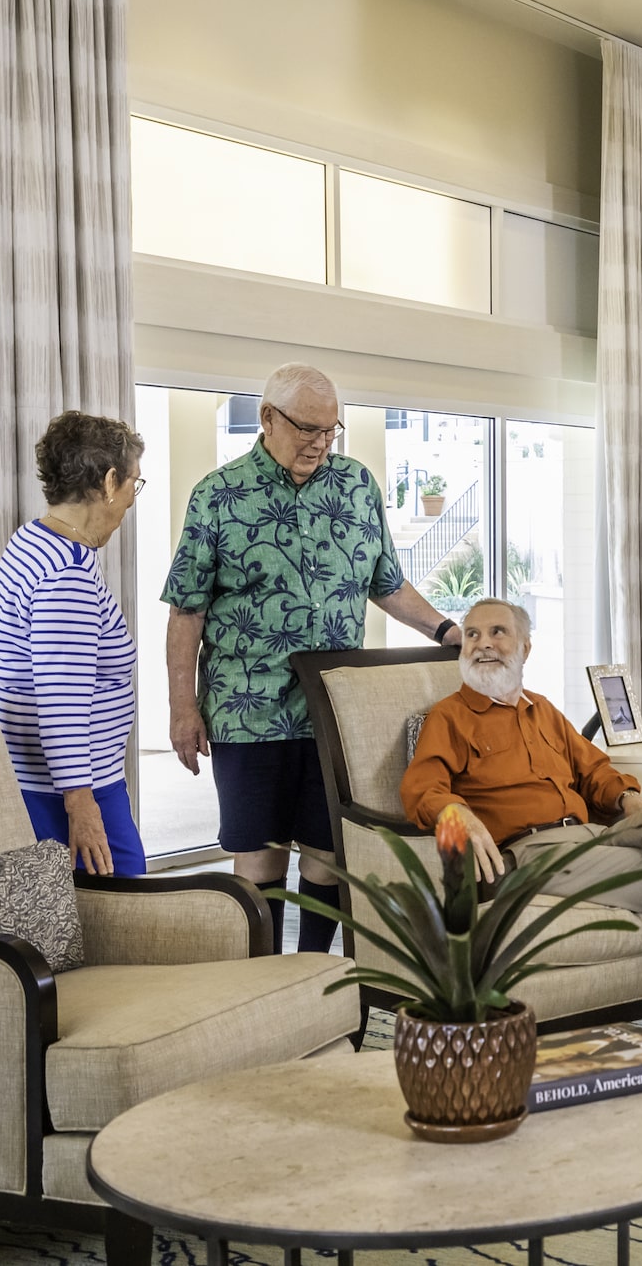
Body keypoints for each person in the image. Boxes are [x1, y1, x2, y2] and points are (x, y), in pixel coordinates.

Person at [162, 362, 465, 954]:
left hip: (334, 708)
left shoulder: (356, 486)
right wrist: (181, 708)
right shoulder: (217, 496)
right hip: (246, 711)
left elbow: (388, 583)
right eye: (307, 429)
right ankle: (265, 981)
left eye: (331, 431)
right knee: (260, 852)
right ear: (268, 418)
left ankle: (313, 972)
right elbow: (186, 611)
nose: (320, 443)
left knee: (328, 851)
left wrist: (445, 628)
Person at [401, 597, 642, 1059]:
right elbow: (421, 787)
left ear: (525, 647)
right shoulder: (450, 717)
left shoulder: (543, 711)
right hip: (531, 855)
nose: (483, 644)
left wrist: (625, 796)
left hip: (590, 839)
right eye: (473, 634)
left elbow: (594, 769)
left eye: (497, 632)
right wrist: (453, 811)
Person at [0, 412, 147, 877]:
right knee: (128, 917)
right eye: (134, 483)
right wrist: (81, 802)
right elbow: (60, 699)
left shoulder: (33, 540)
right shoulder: (67, 575)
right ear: (110, 481)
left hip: (31, 776)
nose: (132, 499)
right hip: (71, 788)